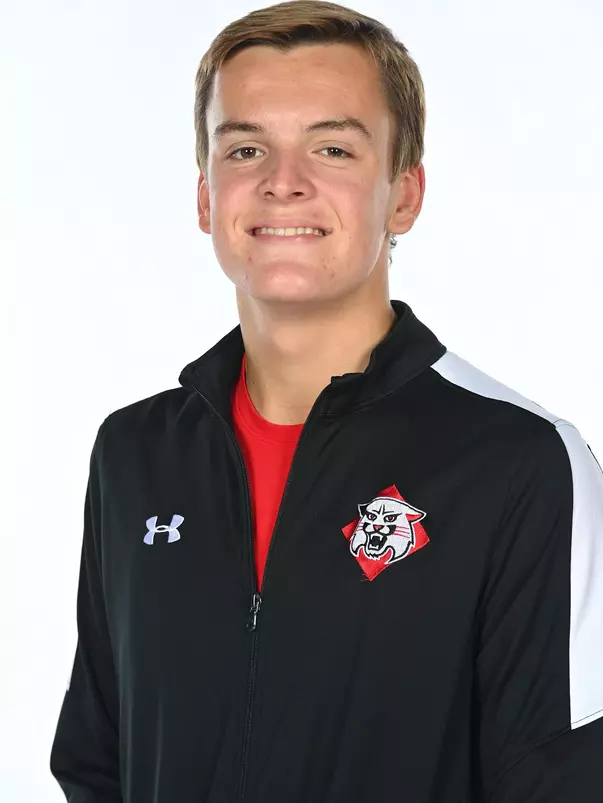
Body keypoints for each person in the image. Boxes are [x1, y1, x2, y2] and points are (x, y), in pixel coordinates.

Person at [49, 2, 603, 801]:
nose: (283, 182)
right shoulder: (136, 452)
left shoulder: (520, 463)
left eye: (333, 147)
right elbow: (97, 762)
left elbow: (567, 778)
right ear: (207, 196)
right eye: (245, 148)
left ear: (403, 195)